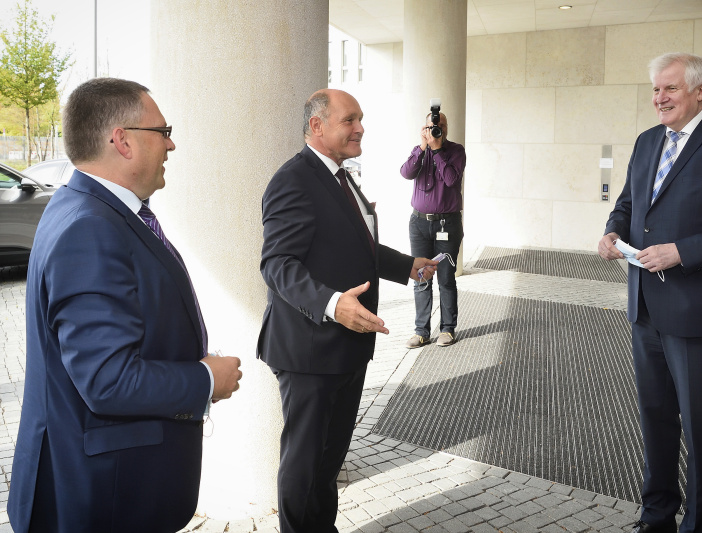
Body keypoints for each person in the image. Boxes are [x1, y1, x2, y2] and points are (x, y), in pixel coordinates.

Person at [8, 78, 243, 533]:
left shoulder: (85, 206)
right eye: (163, 131)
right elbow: (107, 380)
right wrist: (205, 378)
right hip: (102, 496)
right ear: (123, 140)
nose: (171, 144)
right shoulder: (90, 227)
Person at [598, 53, 702, 533]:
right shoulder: (647, 140)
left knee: (701, 430)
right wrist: (612, 231)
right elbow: (628, 204)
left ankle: (699, 525)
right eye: (656, 89)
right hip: (645, 308)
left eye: (670, 88)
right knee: (655, 419)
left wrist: (681, 252)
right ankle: (656, 519)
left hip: (700, 312)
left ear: (700, 91)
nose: (660, 98)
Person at [258, 88, 437, 533]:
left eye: (360, 119)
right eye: (350, 120)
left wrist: (406, 265)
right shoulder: (293, 180)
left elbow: (358, 244)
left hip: (346, 349)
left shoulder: (340, 175)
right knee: (304, 465)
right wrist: (333, 304)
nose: (360, 128)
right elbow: (277, 265)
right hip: (309, 350)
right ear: (317, 126)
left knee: (328, 460)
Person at [400, 110, 466, 348]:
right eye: (432, 127)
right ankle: (421, 332)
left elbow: (451, 180)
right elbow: (406, 172)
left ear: (446, 128)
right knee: (421, 278)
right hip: (418, 224)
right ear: (424, 129)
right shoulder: (419, 151)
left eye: (442, 126)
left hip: (447, 224)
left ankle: (447, 329)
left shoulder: (456, 151)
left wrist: (437, 151)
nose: (438, 130)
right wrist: (423, 147)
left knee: (446, 278)